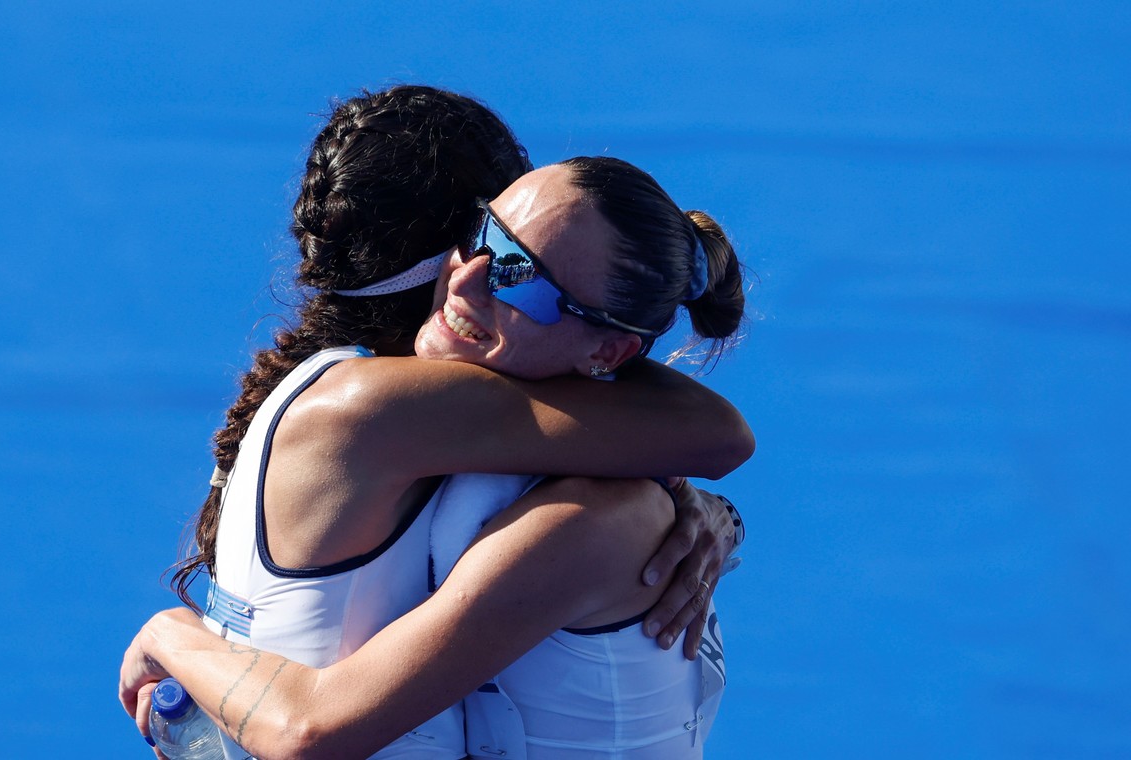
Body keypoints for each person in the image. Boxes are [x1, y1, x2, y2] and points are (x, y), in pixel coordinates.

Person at [122, 155, 750, 758]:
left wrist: (170, 634)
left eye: (520, 277)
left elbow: (308, 731)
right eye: (481, 233)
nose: (468, 276)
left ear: (610, 353)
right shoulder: (552, 470)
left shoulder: (588, 516)